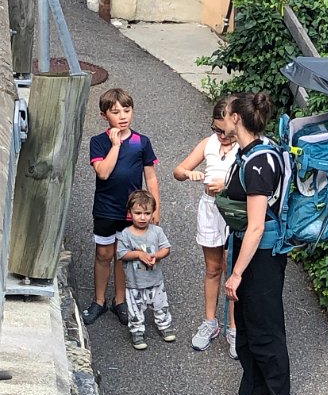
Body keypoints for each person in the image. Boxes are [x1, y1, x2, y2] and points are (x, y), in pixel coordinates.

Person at [221, 92, 295, 395]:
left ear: (237, 118)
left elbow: (256, 226)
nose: (222, 120)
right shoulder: (253, 150)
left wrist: (236, 274)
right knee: (248, 327)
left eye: (225, 114)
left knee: (265, 329)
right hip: (248, 248)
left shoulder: (259, 163)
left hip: (262, 254)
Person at [82, 88, 160, 326]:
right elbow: (103, 173)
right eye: (115, 112)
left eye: (126, 110)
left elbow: (151, 177)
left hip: (131, 211)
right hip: (105, 208)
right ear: (104, 115)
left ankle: (120, 301)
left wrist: (155, 208)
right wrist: (115, 145)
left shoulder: (141, 142)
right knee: (103, 253)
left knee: (123, 255)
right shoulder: (98, 142)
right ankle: (99, 301)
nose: (123, 116)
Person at [173, 99, 239, 358]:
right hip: (210, 208)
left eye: (226, 132)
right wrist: (188, 174)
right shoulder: (208, 143)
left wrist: (227, 184)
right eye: (216, 129)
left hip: (233, 210)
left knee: (232, 271)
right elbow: (178, 170)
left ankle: (234, 328)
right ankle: (210, 322)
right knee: (212, 269)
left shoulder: (245, 146)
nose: (221, 136)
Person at [116, 190, 175, 350]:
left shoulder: (157, 231)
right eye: (138, 213)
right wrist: (138, 254)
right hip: (134, 283)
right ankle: (137, 332)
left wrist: (157, 255)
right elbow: (121, 254)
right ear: (130, 213)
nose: (142, 217)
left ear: (152, 213)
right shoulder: (126, 234)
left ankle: (164, 326)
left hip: (155, 281)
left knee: (161, 305)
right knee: (135, 309)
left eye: (147, 213)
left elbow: (166, 248)